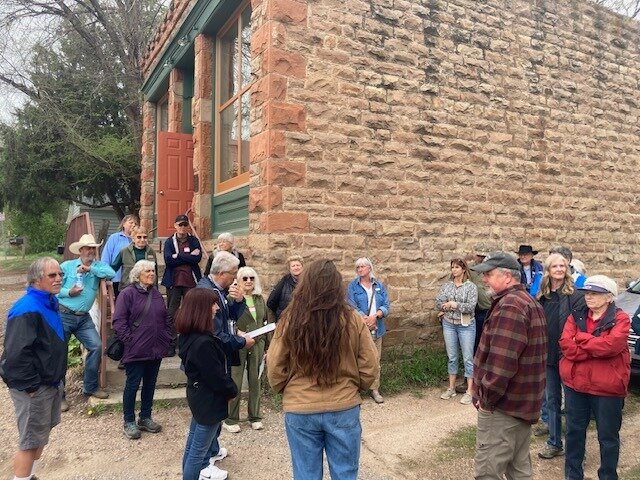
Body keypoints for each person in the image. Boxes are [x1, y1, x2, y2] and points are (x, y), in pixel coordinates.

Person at [268, 259, 379, 480]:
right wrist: (356, 386)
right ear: (337, 286)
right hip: (343, 405)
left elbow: (275, 366)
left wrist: (286, 390)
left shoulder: (290, 320)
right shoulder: (352, 319)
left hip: (301, 407)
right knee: (345, 473)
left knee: (305, 474)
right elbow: (370, 364)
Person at [471, 251, 547, 479]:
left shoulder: (511, 306)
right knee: (519, 470)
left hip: (503, 408)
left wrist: (486, 399)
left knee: (487, 473)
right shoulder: (527, 302)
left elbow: (501, 365)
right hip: (520, 406)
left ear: (507, 277)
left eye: (488, 274)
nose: (484, 279)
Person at [0, 258, 67, 480]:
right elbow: (15, 356)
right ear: (37, 279)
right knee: (29, 443)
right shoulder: (26, 309)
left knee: (39, 437)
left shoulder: (48, 301)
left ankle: (30, 475)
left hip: (49, 384)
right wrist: (31, 387)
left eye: (60, 274)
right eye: (52, 275)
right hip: (35, 388)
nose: (59, 279)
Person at [560, 275, 631, 480]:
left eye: (595, 293)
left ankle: (608, 476)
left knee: (608, 437)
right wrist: (594, 345)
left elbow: (611, 346)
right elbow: (566, 345)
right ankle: (573, 475)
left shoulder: (620, 318)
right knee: (574, 433)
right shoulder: (576, 316)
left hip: (607, 389)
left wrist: (581, 339)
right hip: (576, 385)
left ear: (609, 297)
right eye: (587, 293)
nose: (588, 297)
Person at [195, 252, 256, 469]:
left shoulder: (217, 290)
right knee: (211, 410)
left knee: (214, 409)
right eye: (233, 274)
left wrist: (238, 301)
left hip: (217, 358)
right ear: (221, 273)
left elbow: (227, 317)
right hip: (211, 361)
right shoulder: (206, 292)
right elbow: (216, 333)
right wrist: (241, 342)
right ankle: (205, 461)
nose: (235, 279)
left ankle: (212, 449)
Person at [177, 289, 239, 480]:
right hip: (208, 401)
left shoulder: (191, 335)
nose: (217, 308)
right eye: (213, 304)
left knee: (192, 446)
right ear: (201, 309)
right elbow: (217, 378)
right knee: (198, 454)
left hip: (199, 397)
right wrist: (232, 389)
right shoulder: (203, 343)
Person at [112, 260, 172, 440]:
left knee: (150, 384)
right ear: (138, 275)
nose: (152, 274)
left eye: (153, 270)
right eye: (148, 271)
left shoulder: (156, 294)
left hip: (155, 349)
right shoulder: (127, 294)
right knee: (132, 385)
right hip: (136, 350)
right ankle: (128, 421)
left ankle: (145, 417)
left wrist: (167, 338)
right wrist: (130, 342)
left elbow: (165, 318)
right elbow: (119, 322)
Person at [535, 253, 585, 459]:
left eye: (562, 266)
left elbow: (581, 328)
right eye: (554, 266)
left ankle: (575, 448)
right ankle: (554, 443)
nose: (558, 269)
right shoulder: (543, 296)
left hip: (568, 357)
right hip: (548, 357)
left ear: (567, 269)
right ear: (548, 270)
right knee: (552, 401)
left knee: (573, 404)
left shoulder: (575, 295)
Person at [58, 233, 115, 406]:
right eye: (87, 248)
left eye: (93, 248)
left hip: (84, 318)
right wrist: (69, 292)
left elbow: (111, 273)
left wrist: (90, 269)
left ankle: (90, 387)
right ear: (80, 250)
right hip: (64, 314)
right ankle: (59, 396)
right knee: (60, 354)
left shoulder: (98, 266)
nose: (90, 251)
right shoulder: (67, 266)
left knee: (96, 346)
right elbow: (54, 288)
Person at [224, 266, 271, 433]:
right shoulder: (231, 298)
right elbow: (226, 321)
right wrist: (237, 333)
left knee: (255, 380)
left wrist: (266, 346)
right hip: (238, 344)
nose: (249, 281)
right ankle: (231, 418)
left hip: (257, 344)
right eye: (245, 278)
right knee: (235, 381)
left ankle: (255, 417)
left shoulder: (259, 299)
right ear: (238, 280)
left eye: (251, 278)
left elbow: (265, 322)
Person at [347, 257, 390, 404]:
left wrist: (376, 316)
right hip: (360, 329)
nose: (360, 270)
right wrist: (365, 319)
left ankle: (374, 389)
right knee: (356, 359)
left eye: (362, 267)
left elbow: (386, 304)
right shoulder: (353, 287)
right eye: (357, 267)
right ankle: (356, 390)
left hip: (377, 328)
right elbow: (350, 306)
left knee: (375, 360)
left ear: (369, 268)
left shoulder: (379, 285)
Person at [435, 258, 478, 405]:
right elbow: (438, 303)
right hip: (449, 324)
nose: (454, 270)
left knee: (467, 357)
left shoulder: (471, 286)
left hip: (466, 325)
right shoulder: (447, 286)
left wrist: (454, 304)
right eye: (452, 267)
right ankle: (451, 387)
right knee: (452, 356)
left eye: (457, 267)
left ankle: (469, 391)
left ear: (464, 269)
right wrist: (444, 307)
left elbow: (471, 306)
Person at [161, 214, 203, 353]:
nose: (183, 227)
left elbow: (197, 258)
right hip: (174, 281)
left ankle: (189, 343)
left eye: (185, 225)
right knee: (172, 313)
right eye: (180, 225)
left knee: (191, 312)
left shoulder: (194, 240)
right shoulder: (168, 242)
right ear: (175, 226)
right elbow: (168, 260)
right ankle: (171, 344)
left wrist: (178, 255)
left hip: (191, 281)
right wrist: (188, 256)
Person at [101, 214, 138, 297]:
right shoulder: (114, 238)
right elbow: (106, 256)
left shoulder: (138, 239)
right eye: (131, 222)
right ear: (124, 224)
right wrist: (106, 275)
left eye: (135, 224)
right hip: (118, 277)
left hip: (135, 278)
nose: (133, 225)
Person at [267, 255, 304, 322]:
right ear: (289, 269)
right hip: (286, 321)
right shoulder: (284, 282)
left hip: (303, 320)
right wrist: (281, 314)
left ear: (302, 267)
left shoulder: (307, 281)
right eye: (293, 266)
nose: (296, 268)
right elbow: (271, 302)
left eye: (298, 265)